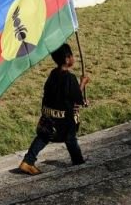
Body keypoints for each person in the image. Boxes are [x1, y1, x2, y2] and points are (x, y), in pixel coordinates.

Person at [19, 43, 90, 175]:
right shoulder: (70, 78)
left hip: (49, 117)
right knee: (71, 138)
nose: (74, 58)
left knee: (43, 136)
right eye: (72, 56)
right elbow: (76, 98)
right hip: (63, 119)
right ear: (68, 59)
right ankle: (79, 162)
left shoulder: (53, 74)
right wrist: (82, 83)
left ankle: (28, 161)